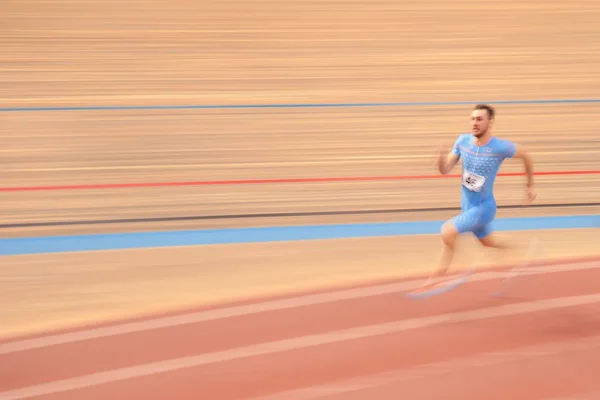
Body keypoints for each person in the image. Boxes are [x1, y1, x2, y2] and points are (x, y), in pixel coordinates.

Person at [427, 104, 537, 284]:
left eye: (479, 119)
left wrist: (530, 186)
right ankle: (523, 250)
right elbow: (445, 169)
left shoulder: (499, 147)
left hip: (484, 208)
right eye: (472, 119)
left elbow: (526, 154)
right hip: (468, 207)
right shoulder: (462, 141)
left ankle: (439, 278)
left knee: (447, 231)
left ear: (490, 122)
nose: (474, 123)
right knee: (489, 243)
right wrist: (440, 160)